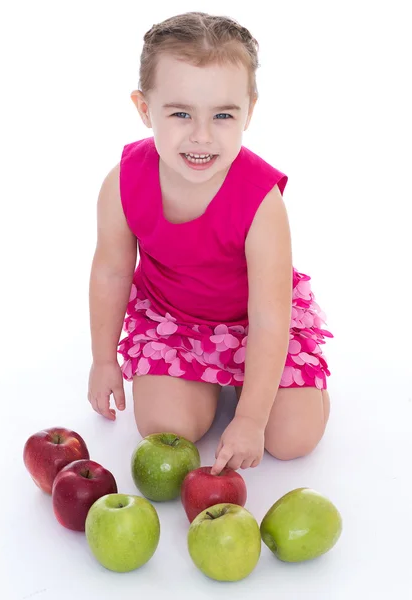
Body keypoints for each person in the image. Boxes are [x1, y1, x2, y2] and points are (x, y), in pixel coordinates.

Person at [87, 11, 333, 476]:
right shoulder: (123, 183)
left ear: (249, 111)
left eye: (222, 115)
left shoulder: (261, 202)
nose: (201, 136)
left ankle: (264, 387)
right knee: (165, 426)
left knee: (292, 438)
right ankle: (208, 384)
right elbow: (112, 272)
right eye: (180, 113)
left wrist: (251, 419)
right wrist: (103, 360)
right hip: (174, 321)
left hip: (256, 321)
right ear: (144, 109)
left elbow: (268, 315)